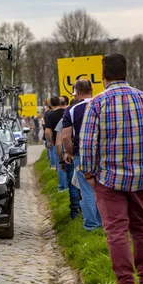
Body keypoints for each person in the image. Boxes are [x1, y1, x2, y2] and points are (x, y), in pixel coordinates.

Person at [79, 53, 143, 284]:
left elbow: (87, 144)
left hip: (108, 178)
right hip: (141, 176)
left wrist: (88, 172)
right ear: (126, 73)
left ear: (103, 76)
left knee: (116, 231)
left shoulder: (97, 102)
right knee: (142, 228)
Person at [61, 79, 102, 231]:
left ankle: (92, 225)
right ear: (92, 89)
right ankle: (104, 222)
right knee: (102, 188)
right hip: (103, 152)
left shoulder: (72, 110)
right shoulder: (101, 104)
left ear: (77, 93)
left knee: (86, 189)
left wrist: (70, 152)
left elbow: (65, 137)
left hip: (82, 154)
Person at [45, 97, 68, 191]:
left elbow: (47, 131)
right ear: (60, 102)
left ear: (50, 104)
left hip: (58, 142)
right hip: (69, 140)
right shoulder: (67, 111)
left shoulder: (50, 115)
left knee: (60, 165)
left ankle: (63, 187)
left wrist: (51, 141)